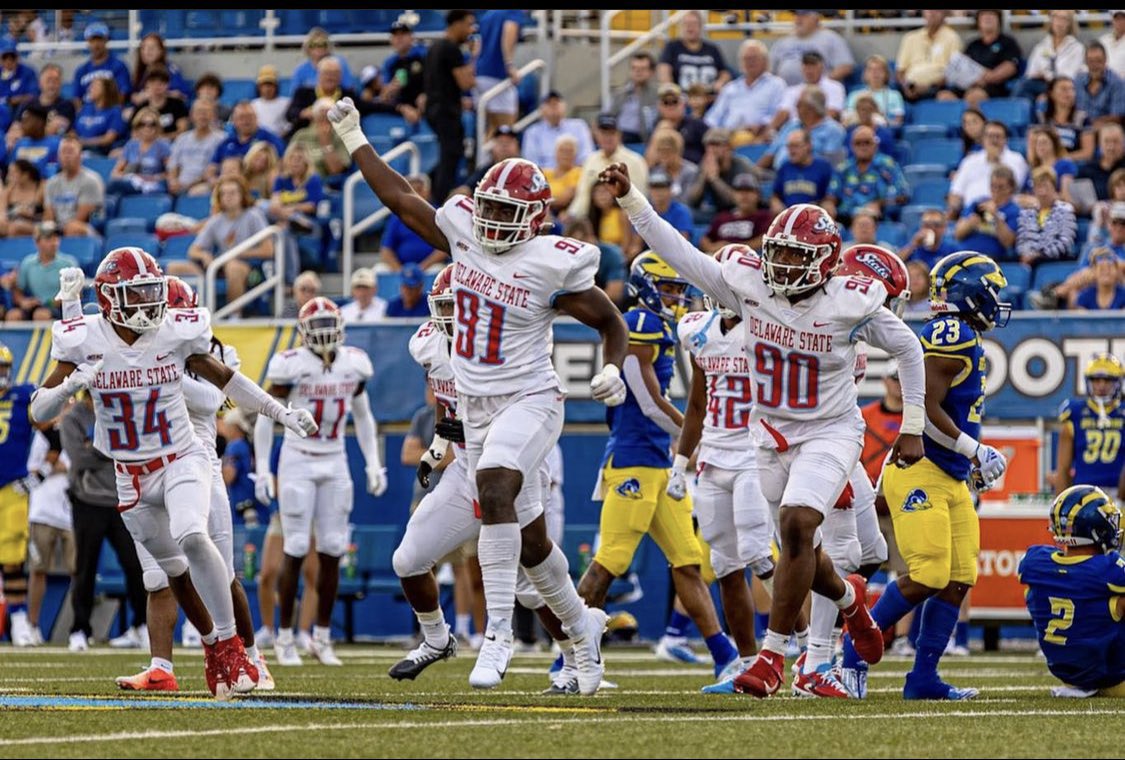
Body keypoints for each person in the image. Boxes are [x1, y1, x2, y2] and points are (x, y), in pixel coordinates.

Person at [329, 97, 630, 695]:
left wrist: (614, 367)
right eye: (487, 208)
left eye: (505, 211)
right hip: (475, 417)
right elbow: (399, 198)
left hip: (532, 401)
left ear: (536, 218)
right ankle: (581, 632)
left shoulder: (550, 263)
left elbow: (610, 321)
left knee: (497, 485)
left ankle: (498, 635)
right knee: (521, 549)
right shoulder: (464, 232)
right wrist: (354, 136)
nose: (490, 220)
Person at [604, 163, 927, 699]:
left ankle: (775, 657)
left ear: (823, 262)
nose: (782, 264)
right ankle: (852, 605)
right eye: (777, 251)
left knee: (798, 524)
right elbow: (679, 251)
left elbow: (910, 349)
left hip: (830, 431)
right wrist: (633, 198)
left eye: (796, 255)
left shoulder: (849, 301)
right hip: (768, 434)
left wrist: (911, 426)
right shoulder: (749, 285)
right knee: (806, 548)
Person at [33, 248, 316, 698]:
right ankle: (209, 649)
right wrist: (71, 384)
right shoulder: (84, 340)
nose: (148, 304)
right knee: (171, 574)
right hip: (131, 476)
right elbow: (37, 411)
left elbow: (224, 381)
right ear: (108, 299)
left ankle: (232, 646)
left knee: (192, 535)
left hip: (183, 457)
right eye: (136, 294)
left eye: (152, 292)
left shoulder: (173, 332)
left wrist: (281, 412)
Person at [840, 251, 1011, 701]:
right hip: (919, 471)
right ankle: (851, 651)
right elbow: (923, 410)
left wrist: (969, 461)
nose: (995, 301)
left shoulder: (963, 334)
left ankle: (923, 678)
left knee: (958, 576)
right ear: (969, 292)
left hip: (948, 475)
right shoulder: (948, 332)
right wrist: (973, 449)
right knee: (929, 574)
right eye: (991, 291)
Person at [97, 277, 273, 691]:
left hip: (196, 461)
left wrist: (160, 372)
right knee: (159, 576)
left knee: (221, 568)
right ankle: (162, 667)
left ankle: (249, 656)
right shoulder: (135, 349)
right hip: (145, 465)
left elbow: (213, 401)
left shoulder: (209, 349)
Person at [578, 252, 739, 680]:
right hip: (632, 460)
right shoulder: (641, 325)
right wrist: (695, 434)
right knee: (608, 563)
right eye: (668, 289)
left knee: (687, 562)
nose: (676, 298)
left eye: (678, 290)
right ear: (645, 286)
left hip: (658, 464)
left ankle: (726, 658)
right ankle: (568, 660)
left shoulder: (659, 325)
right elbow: (650, 404)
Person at [255, 297, 388, 666]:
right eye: (317, 325)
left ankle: (322, 636)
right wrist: (264, 468)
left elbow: (363, 416)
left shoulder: (353, 364)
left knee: (332, 549)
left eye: (330, 323)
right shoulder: (290, 365)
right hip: (298, 458)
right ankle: (284, 637)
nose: (325, 333)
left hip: (335, 457)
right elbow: (266, 416)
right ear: (302, 332)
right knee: (295, 546)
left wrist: (374, 463)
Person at [672, 255, 775, 691]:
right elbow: (697, 403)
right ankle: (745, 661)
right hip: (713, 457)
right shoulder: (700, 332)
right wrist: (681, 460)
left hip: (753, 453)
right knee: (726, 564)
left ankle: (808, 647)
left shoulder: (767, 328)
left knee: (758, 555)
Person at [1017, 485, 1125, 698]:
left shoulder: (1036, 561)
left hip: (1066, 672)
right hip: (1114, 676)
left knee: (1035, 593)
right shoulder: (1107, 569)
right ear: (1096, 528)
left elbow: (1068, 575)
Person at [0, 342, 52, 646]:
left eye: (3, 369)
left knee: (12, 559)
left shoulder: (23, 397)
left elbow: (55, 433)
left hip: (12, 490)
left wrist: (40, 474)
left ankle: (19, 619)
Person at [1054, 353, 1124, 495]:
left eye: (1107, 380)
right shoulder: (1075, 412)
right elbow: (1063, 468)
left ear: (1118, 382)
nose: (1101, 385)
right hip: (1084, 493)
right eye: (1096, 380)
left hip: (1120, 493)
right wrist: (1060, 503)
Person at [425, 10, 476, 203]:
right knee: (451, 155)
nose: (470, 30)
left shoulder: (434, 47)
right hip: (446, 112)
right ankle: (439, 201)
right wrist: (473, 57)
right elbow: (466, 83)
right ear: (457, 24)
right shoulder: (451, 49)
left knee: (450, 154)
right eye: (468, 24)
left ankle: (428, 185)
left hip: (434, 109)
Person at [9, 221, 78, 322]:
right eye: (48, 239)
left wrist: (51, 303)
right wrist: (24, 301)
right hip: (35, 306)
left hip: (60, 308)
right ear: (37, 242)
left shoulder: (69, 263)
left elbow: (75, 293)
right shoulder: (27, 263)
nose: (54, 243)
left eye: (56, 238)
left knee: (41, 315)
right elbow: (18, 291)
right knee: (13, 316)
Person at [769, 10, 854, 87]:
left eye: (804, 15)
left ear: (816, 19)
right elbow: (770, 70)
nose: (798, 19)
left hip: (818, 91)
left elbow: (845, 67)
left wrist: (821, 83)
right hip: (786, 92)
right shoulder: (783, 42)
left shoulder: (831, 38)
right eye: (797, 15)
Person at [380, 174, 448, 271]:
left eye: (419, 190)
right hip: (403, 269)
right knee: (380, 270)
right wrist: (401, 271)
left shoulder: (438, 214)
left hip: (430, 267)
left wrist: (421, 268)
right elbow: (386, 250)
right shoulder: (397, 216)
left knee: (437, 270)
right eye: (411, 190)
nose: (416, 194)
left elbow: (445, 249)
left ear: (427, 192)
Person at [474, 10, 526, 136]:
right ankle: (499, 156)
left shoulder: (487, 15)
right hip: (496, 75)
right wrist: (509, 65)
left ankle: (483, 156)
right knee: (505, 132)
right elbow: (509, 30)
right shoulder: (513, 13)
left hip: (480, 75)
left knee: (493, 128)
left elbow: (478, 45)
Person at [895, 10, 962, 102]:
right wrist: (906, 86)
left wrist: (928, 87)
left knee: (946, 96)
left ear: (944, 14)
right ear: (923, 13)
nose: (932, 13)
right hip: (909, 88)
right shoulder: (910, 38)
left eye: (936, 10)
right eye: (928, 10)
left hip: (937, 88)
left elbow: (953, 71)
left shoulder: (952, 38)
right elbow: (900, 71)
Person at [657, 10, 732, 92]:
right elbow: (663, 70)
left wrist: (720, 83)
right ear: (681, 27)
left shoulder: (712, 49)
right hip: (682, 100)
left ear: (700, 26)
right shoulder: (672, 47)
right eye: (686, 24)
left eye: (694, 24)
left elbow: (725, 72)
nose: (690, 27)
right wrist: (671, 91)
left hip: (709, 99)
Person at [521, 91, 594, 170]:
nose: (553, 106)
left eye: (557, 102)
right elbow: (532, 165)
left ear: (564, 106)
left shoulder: (579, 126)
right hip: (544, 178)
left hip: (575, 176)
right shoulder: (532, 132)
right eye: (549, 103)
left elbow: (587, 157)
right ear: (541, 109)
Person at [167, 99, 225, 198]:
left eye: (206, 112)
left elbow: (215, 170)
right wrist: (173, 181)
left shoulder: (222, 139)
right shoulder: (182, 139)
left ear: (213, 115)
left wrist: (189, 185)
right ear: (191, 115)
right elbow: (173, 166)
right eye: (199, 112)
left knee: (197, 193)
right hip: (180, 186)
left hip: (205, 184)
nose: (202, 116)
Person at [701, 173, 770, 252]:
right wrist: (713, 248)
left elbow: (764, 239)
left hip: (747, 259)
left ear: (758, 195)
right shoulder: (722, 217)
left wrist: (732, 248)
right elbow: (705, 239)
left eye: (749, 190)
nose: (744, 195)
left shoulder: (764, 216)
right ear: (733, 195)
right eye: (739, 191)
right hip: (718, 258)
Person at [71, 21, 131, 104]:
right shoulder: (81, 70)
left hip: (110, 112)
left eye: (99, 40)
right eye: (92, 40)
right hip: (87, 113)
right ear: (88, 42)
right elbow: (77, 98)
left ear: (106, 40)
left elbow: (122, 93)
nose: (96, 44)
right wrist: (83, 115)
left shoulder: (118, 66)